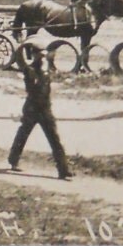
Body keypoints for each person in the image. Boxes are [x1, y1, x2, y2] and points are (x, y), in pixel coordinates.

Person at [8, 43, 72, 179]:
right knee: (23, 135)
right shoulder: (29, 71)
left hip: (45, 110)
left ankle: (63, 170)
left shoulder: (47, 71)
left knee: (54, 139)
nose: (43, 58)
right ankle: (13, 160)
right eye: (40, 56)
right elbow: (30, 83)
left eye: (44, 55)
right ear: (35, 57)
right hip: (32, 109)